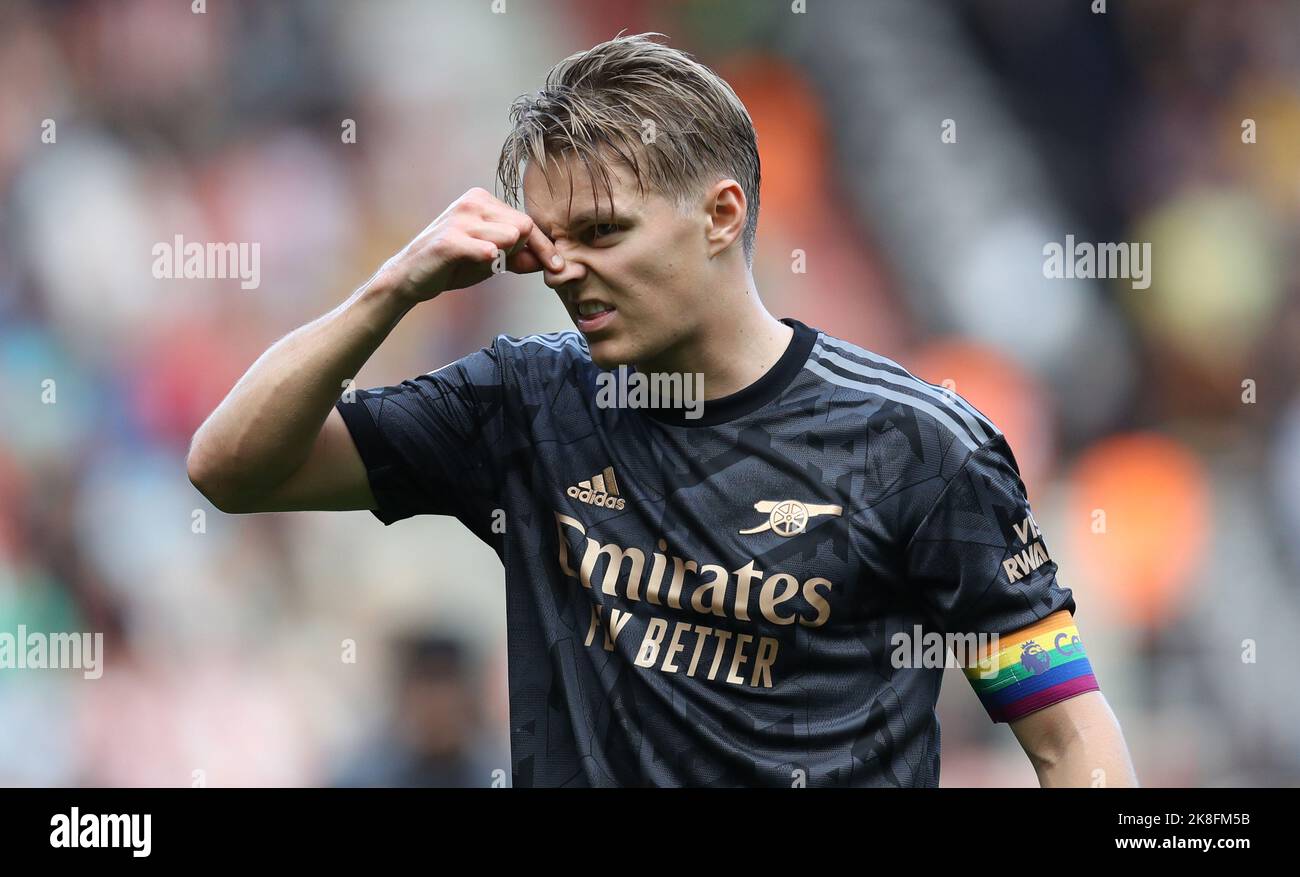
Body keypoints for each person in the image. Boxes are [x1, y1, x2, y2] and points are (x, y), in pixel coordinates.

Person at [188, 32, 1137, 787]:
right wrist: (392, 285)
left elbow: (1065, 736)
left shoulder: (922, 446)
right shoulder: (524, 404)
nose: (563, 270)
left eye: (602, 233)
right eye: (548, 239)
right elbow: (230, 467)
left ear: (722, 215)